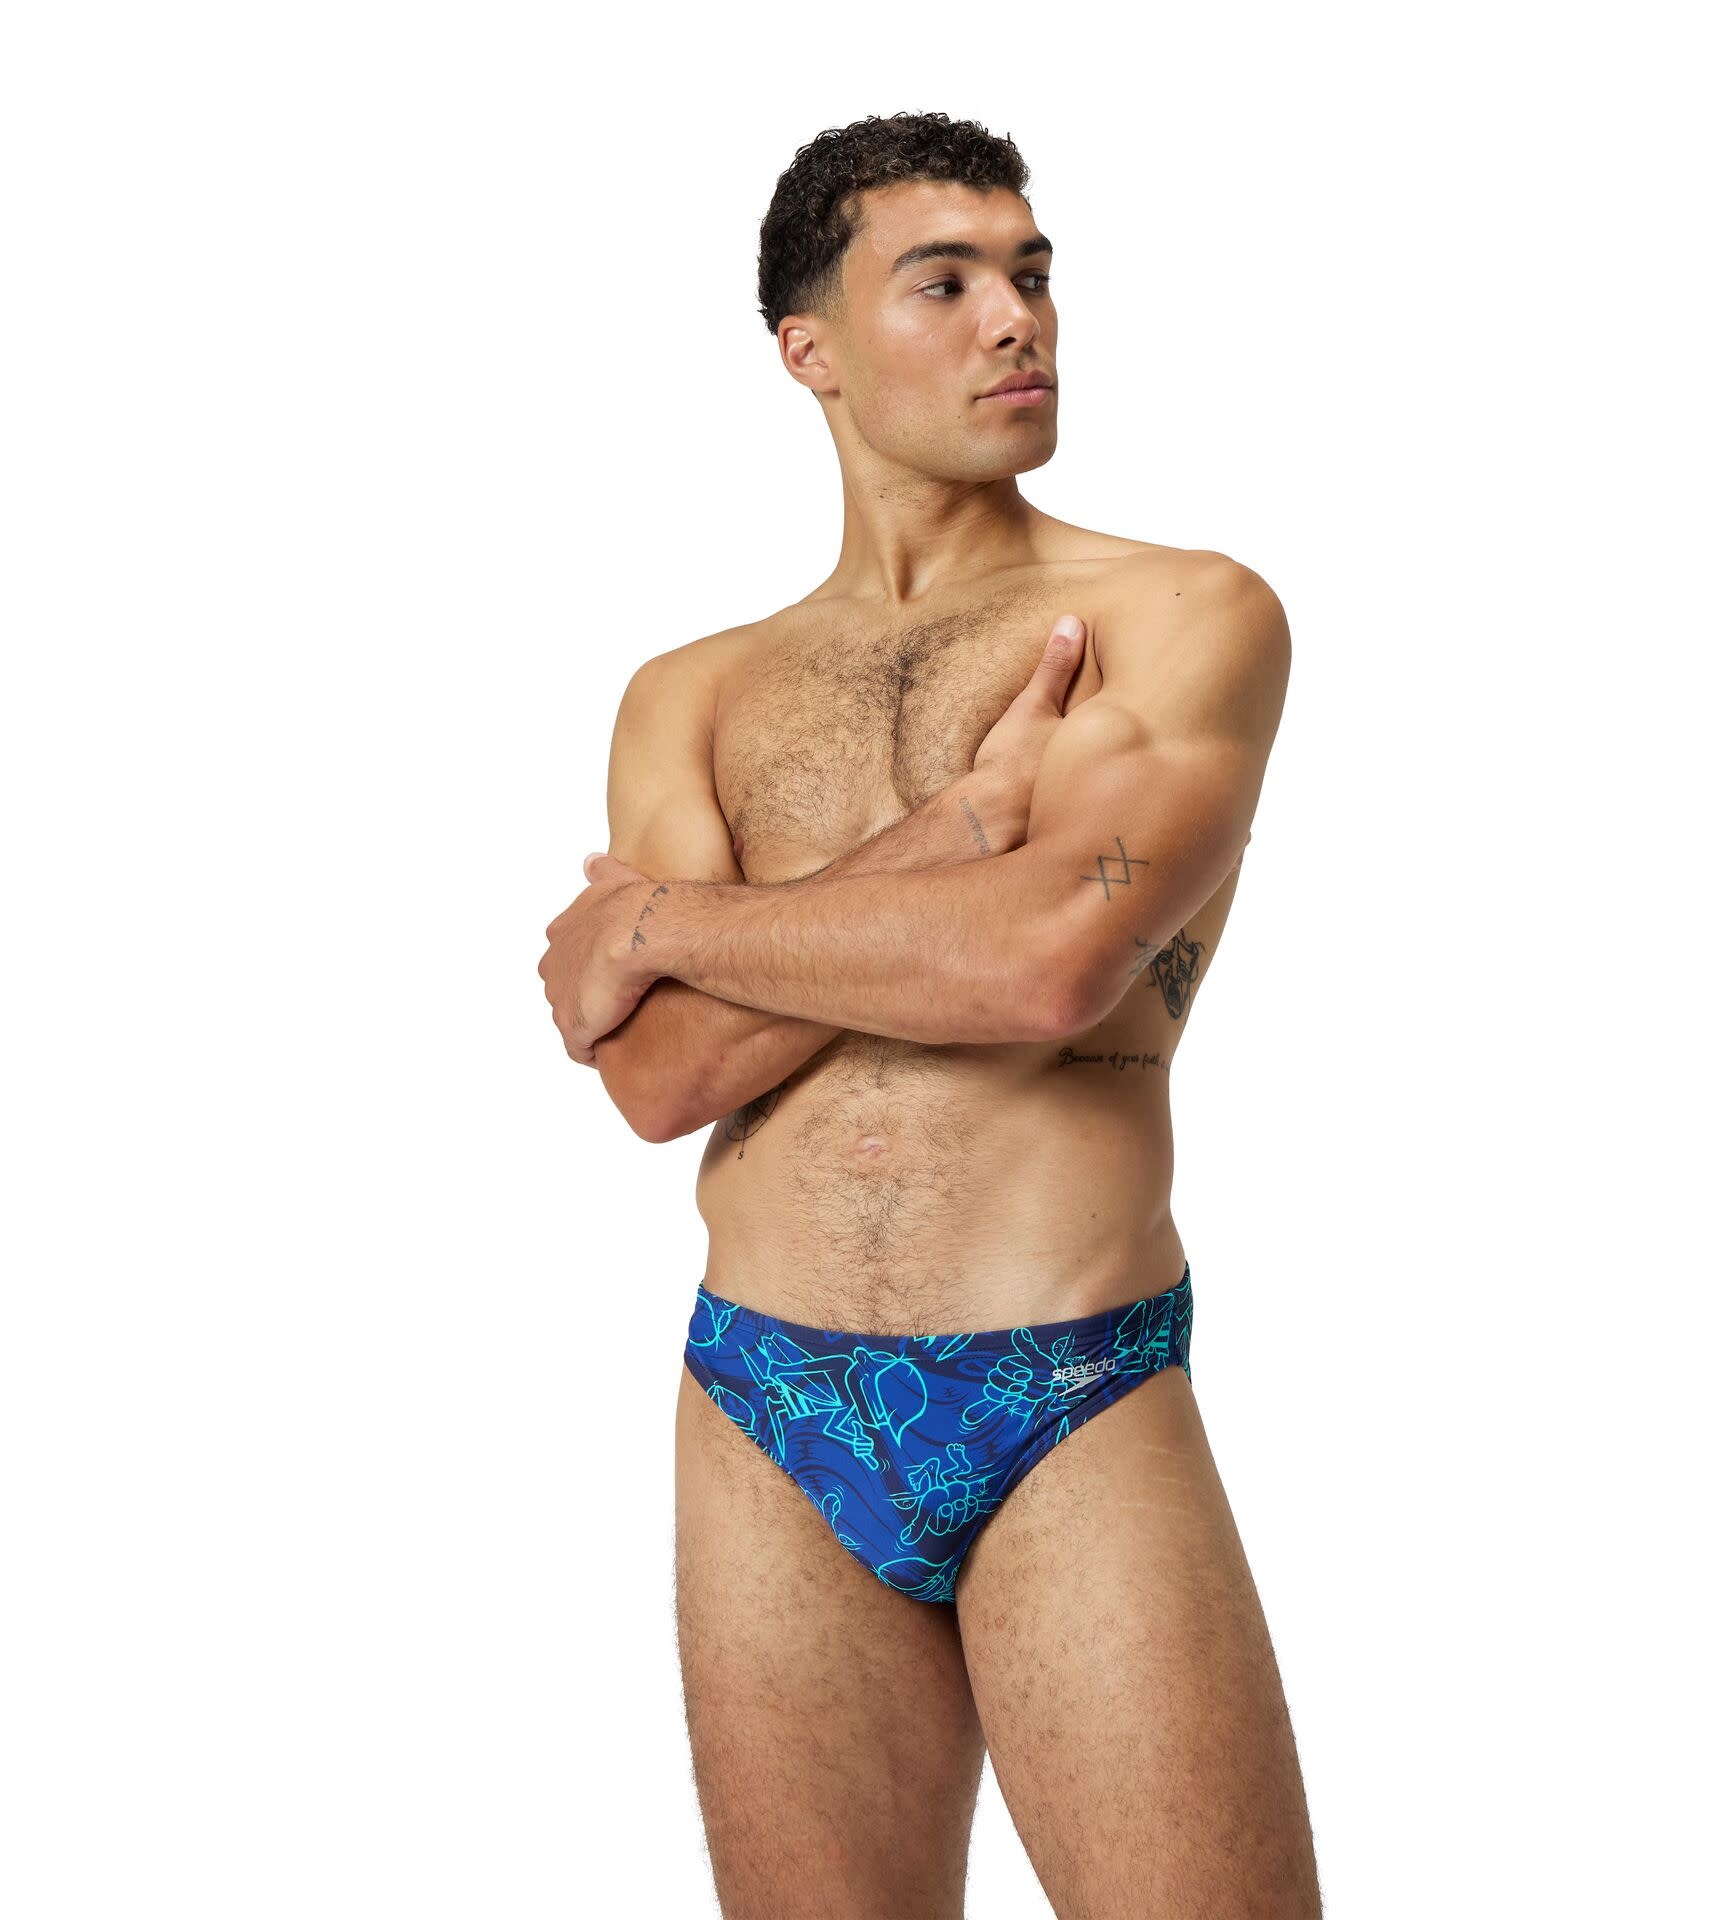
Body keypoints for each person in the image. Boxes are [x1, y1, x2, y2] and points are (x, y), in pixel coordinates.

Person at [538, 111, 1319, 1918]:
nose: (1015, 318)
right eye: (945, 283)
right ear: (807, 350)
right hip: (763, 1395)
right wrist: (965, 828)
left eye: (1031, 274)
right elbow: (659, 1076)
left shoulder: (1177, 613)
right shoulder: (690, 692)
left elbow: (1047, 963)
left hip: (1066, 1383)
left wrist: (667, 925)